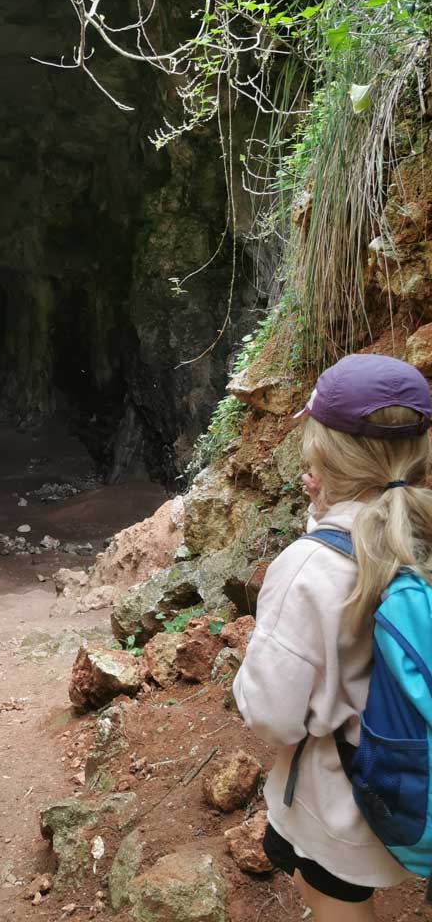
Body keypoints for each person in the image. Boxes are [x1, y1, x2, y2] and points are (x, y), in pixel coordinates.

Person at [234, 353, 432, 921]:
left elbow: (272, 714)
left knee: (332, 898)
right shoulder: (420, 541)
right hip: (421, 776)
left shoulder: (310, 567)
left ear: (323, 452)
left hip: (350, 801)